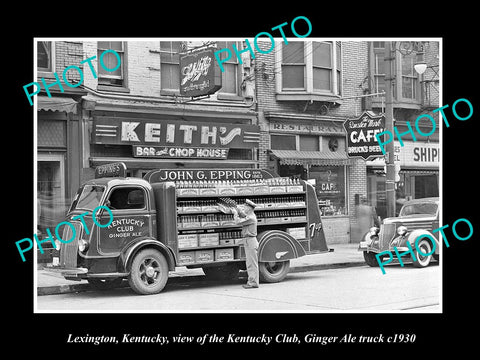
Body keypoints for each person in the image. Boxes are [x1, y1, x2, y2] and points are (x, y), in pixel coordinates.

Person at [219, 198, 259, 289]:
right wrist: (236, 208)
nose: (244, 207)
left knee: (252, 263)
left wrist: (235, 213)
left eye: (245, 206)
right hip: (248, 240)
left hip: (250, 241)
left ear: (249, 208)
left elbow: (238, 222)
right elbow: (243, 214)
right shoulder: (249, 215)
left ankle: (253, 283)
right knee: (249, 263)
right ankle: (251, 281)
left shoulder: (251, 218)